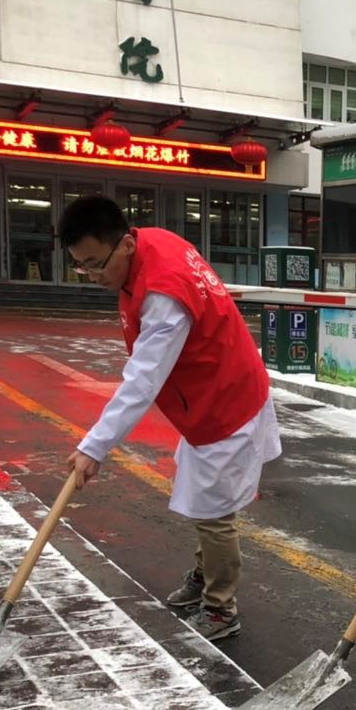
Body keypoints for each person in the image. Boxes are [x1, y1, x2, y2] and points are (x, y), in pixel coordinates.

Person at [57, 195, 280, 641]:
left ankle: (221, 608)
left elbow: (143, 379)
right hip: (208, 394)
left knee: (215, 512)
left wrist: (94, 447)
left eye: (96, 263)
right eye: (80, 266)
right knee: (204, 500)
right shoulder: (152, 242)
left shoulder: (162, 294)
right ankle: (204, 577)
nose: (92, 276)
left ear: (123, 244)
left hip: (224, 401)